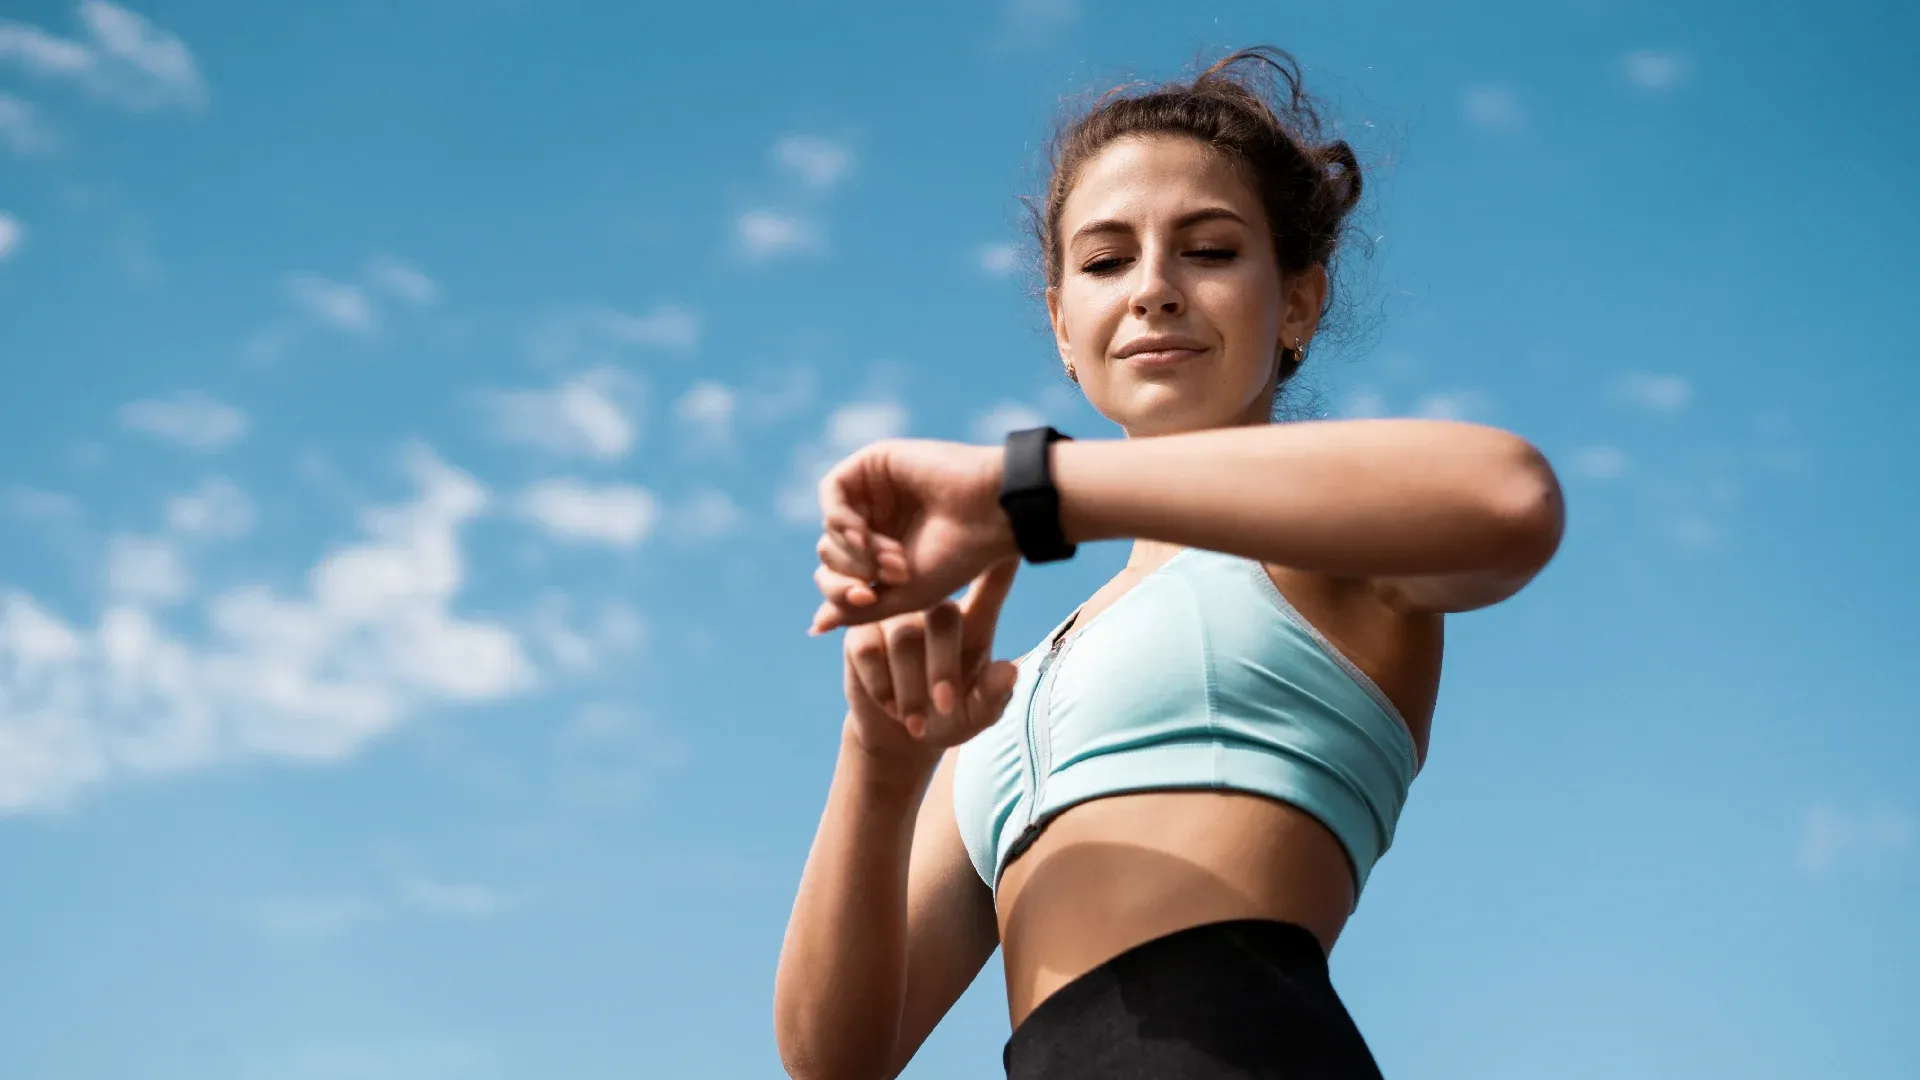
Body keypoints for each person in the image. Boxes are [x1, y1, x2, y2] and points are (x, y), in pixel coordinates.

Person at [773, 47, 1564, 1080]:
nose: (1153, 289)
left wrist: (1030, 494)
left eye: (1209, 250)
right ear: (1063, 323)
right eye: (1104, 261)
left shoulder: (1324, 551)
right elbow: (835, 1062)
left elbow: (1510, 501)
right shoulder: (1004, 696)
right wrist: (879, 762)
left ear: (1298, 303)